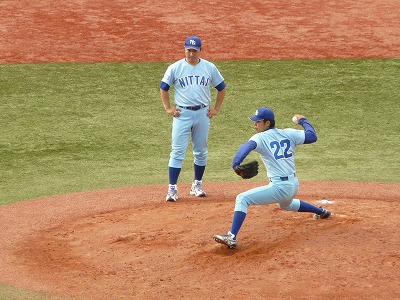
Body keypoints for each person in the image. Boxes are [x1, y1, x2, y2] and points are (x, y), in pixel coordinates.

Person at [213, 107, 331, 248]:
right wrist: (303, 121)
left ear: (267, 123)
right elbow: (312, 136)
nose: (255, 125)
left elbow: (245, 147)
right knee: (286, 205)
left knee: (242, 198)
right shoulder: (289, 133)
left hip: (280, 187)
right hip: (293, 185)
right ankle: (321, 212)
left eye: (258, 122)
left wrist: (235, 164)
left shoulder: (260, 138)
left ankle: (231, 237)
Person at [160, 36, 227, 202]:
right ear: (184, 50)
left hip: (202, 114)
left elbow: (222, 87)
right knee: (177, 152)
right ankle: (172, 189)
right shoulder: (175, 68)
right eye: (188, 50)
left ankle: (197, 184)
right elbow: (164, 88)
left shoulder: (209, 67)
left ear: (200, 51)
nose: (191, 53)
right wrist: (168, 108)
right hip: (182, 114)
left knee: (201, 151)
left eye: (194, 50)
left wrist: (216, 109)